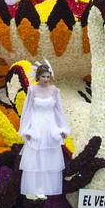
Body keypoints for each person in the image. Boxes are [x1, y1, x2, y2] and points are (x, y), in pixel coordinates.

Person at [17, 61, 70, 200]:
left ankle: (45, 189)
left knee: (49, 159)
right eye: (43, 76)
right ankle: (34, 189)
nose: (46, 79)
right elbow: (27, 110)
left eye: (48, 76)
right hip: (36, 125)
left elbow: (59, 111)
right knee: (35, 159)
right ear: (38, 77)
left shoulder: (54, 90)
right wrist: (26, 130)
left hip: (50, 126)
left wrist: (62, 128)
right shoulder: (32, 90)